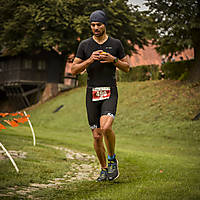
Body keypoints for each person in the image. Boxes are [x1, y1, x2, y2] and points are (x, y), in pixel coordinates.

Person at [71, 10, 130, 182]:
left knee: (106, 128)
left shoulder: (116, 44)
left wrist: (113, 59)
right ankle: (104, 169)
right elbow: (73, 70)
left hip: (110, 90)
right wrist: (89, 60)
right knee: (97, 136)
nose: (95, 28)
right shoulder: (84, 45)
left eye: (99, 24)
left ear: (105, 25)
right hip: (92, 92)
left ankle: (112, 161)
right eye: (93, 25)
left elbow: (127, 67)